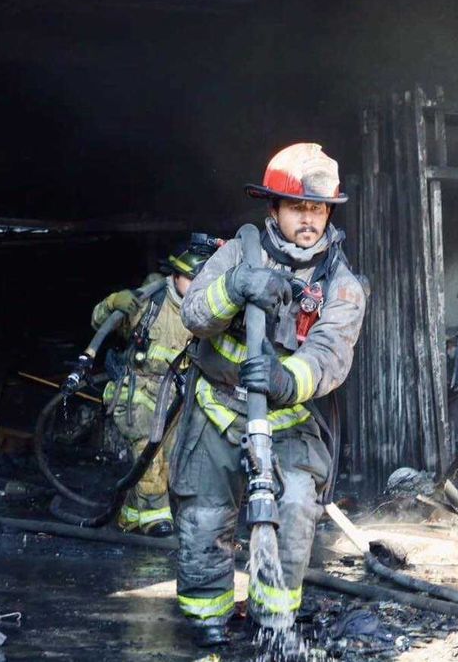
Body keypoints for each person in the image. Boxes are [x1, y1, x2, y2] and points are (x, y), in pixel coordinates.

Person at [174, 142, 368, 646]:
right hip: (218, 409)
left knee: (296, 506)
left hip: (287, 420)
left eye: (318, 209)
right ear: (274, 208)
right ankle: (206, 619)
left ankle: (273, 623)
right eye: (298, 207)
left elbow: (331, 354)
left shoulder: (341, 284)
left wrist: (285, 381)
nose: (309, 219)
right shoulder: (238, 254)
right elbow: (194, 314)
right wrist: (235, 287)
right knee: (204, 517)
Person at [91, 246, 209, 537]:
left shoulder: (207, 311)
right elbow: (98, 322)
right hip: (138, 391)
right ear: (176, 275)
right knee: (149, 452)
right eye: (191, 278)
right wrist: (112, 303)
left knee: (168, 460)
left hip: (177, 398)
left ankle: (130, 515)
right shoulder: (150, 301)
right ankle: (157, 520)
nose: (196, 286)